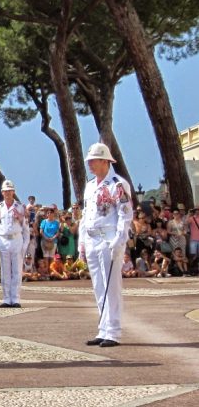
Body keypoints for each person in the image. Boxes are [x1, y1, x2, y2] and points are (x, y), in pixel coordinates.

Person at [78, 142, 133, 348]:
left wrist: (119, 240)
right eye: (89, 161)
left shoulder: (118, 184)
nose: (90, 165)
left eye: (93, 161)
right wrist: (81, 243)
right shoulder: (91, 185)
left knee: (112, 287)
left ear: (105, 161)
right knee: (99, 287)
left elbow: (125, 215)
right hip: (92, 239)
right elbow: (85, 216)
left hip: (109, 238)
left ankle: (114, 331)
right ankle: (103, 328)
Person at [0, 180, 30, 308]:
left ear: (13, 192)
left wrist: (24, 246)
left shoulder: (20, 207)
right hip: (3, 240)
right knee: (5, 271)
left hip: (16, 239)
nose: (8, 193)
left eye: (10, 191)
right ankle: (6, 298)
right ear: (2, 193)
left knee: (17, 271)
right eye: (5, 191)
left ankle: (16, 298)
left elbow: (26, 229)